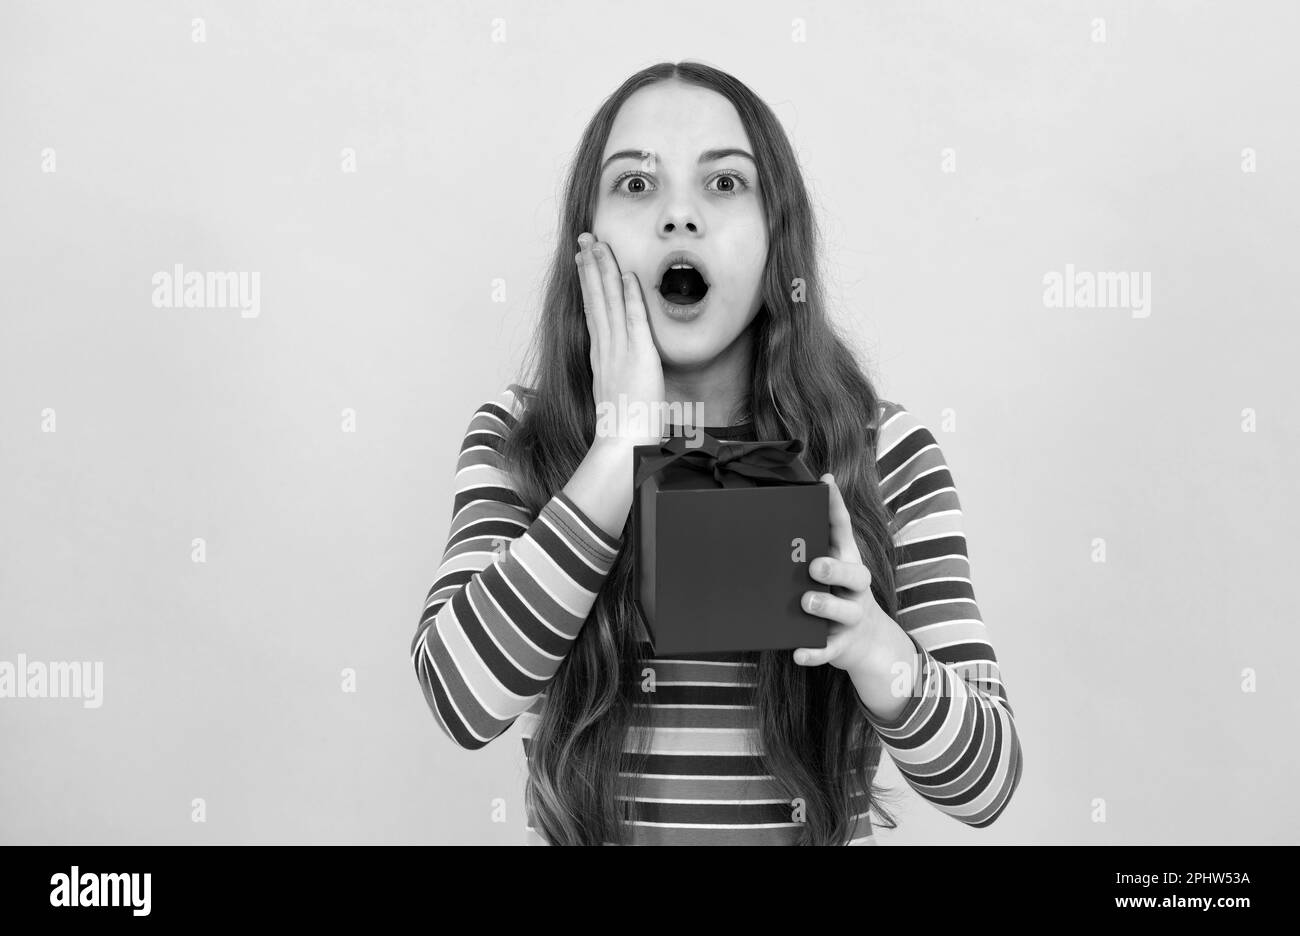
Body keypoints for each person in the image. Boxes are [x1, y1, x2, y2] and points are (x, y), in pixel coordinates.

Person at [411, 61, 1023, 845]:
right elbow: (459, 700)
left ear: (779, 238)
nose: (679, 218)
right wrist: (615, 452)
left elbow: (989, 784)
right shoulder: (521, 437)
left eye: (725, 184)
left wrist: (874, 646)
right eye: (635, 186)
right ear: (586, 240)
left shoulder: (883, 450)